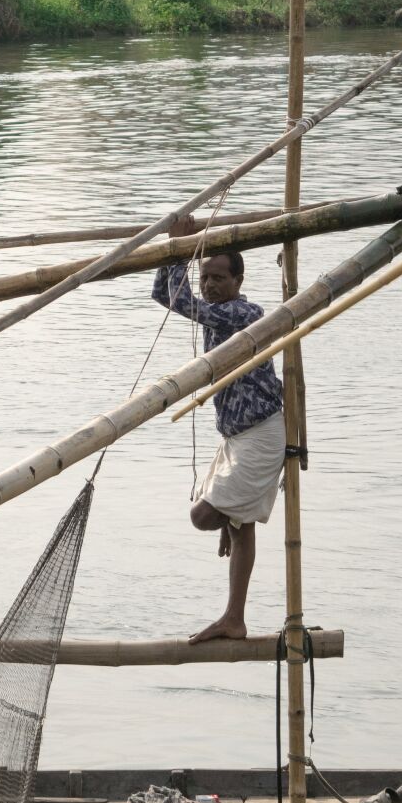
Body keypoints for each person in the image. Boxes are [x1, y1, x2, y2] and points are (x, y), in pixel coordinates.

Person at [152, 248, 285, 644]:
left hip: (260, 435)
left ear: (238, 282)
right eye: (204, 277)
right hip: (234, 438)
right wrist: (175, 255)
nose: (209, 285)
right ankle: (234, 618)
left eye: (219, 279)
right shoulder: (215, 314)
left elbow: (175, 301)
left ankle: (233, 616)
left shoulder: (243, 316)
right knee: (239, 525)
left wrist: (177, 250)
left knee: (204, 516)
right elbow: (168, 295)